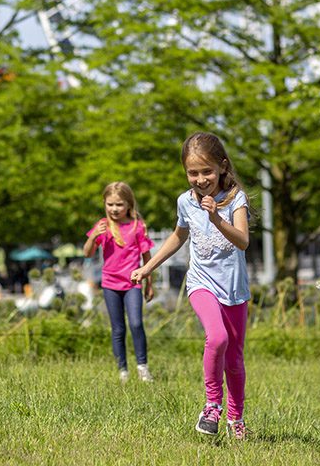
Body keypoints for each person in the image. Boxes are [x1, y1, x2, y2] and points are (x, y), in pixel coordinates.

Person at [131, 132, 251, 441]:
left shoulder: (235, 198)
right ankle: (212, 405)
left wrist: (217, 219)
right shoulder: (185, 201)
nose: (200, 179)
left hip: (234, 290)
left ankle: (236, 420)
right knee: (217, 337)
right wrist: (148, 267)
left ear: (222, 167)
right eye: (192, 173)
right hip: (201, 283)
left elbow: (243, 241)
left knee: (235, 359)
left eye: (206, 171)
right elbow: (178, 236)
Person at [83, 181, 155, 383]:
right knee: (118, 329)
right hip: (110, 285)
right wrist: (93, 237)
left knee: (135, 323)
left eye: (119, 205)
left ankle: (142, 367)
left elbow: (147, 259)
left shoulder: (137, 227)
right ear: (105, 204)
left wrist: (150, 284)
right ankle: (122, 370)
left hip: (133, 283)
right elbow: (87, 253)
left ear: (129, 205)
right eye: (110, 204)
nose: (114, 209)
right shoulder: (103, 226)